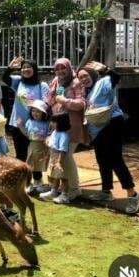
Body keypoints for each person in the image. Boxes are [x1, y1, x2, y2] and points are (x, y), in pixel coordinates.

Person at [77, 65, 139, 213]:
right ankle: (106, 192)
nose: (83, 79)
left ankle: (133, 195)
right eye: (80, 77)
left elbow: (116, 78)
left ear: (93, 74)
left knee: (115, 160)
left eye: (85, 76)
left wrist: (107, 69)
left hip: (112, 124)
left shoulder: (103, 82)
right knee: (102, 160)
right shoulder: (88, 91)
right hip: (98, 130)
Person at [45, 58, 86, 203]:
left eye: (63, 68)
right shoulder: (56, 81)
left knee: (67, 158)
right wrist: (52, 93)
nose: (60, 71)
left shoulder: (76, 83)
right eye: (57, 69)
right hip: (58, 125)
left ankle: (73, 190)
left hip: (71, 126)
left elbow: (81, 104)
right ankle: (55, 189)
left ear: (69, 68)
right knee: (56, 157)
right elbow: (49, 102)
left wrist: (64, 101)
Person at [2, 56, 50, 162]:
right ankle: (23, 178)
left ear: (34, 69)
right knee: (20, 155)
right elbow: (5, 79)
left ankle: (37, 178)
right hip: (17, 123)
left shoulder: (42, 85)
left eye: (29, 67)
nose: (25, 70)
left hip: (35, 125)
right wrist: (10, 68)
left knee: (35, 155)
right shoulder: (19, 82)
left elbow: (46, 105)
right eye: (23, 67)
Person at [17, 100, 50, 195]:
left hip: (43, 147)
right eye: (33, 111)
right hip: (33, 146)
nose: (35, 113)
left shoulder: (47, 123)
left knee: (39, 165)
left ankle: (38, 183)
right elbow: (27, 134)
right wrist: (20, 126)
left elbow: (49, 134)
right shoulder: (29, 122)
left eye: (38, 111)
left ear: (43, 113)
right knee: (31, 165)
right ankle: (29, 184)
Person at [40, 113, 72, 203]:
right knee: (54, 176)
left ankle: (65, 196)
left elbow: (63, 150)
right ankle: (54, 191)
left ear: (61, 123)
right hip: (53, 156)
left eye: (54, 122)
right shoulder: (55, 132)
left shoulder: (64, 135)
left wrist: (59, 162)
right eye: (52, 121)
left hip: (61, 158)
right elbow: (51, 143)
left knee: (63, 177)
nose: (51, 123)